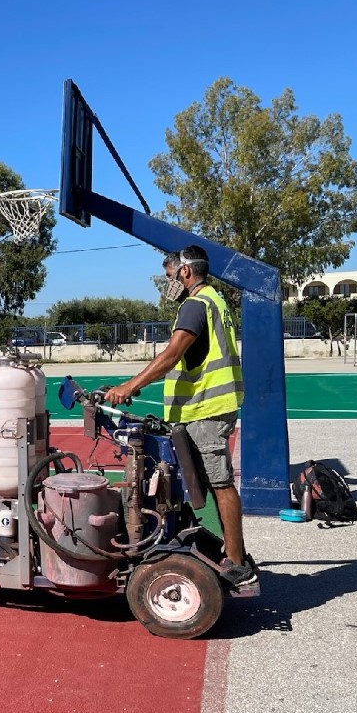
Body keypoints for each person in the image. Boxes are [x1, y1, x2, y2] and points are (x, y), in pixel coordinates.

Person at [105, 245, 257, 589]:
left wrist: (129, 386)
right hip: (206, 408)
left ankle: (237, 561)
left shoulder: (195, 304)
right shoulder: (216, 300)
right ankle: (228, 551)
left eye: (170, 274)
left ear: (185, 271)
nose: (169, 281)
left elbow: (172, 354)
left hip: (206, 409)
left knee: (220, 484)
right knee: (201, 485)